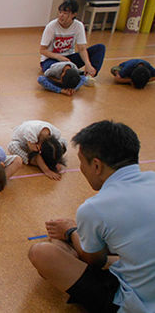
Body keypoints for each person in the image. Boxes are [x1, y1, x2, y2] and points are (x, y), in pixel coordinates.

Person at [28, 120, 155, 313]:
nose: (80, 169)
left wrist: (71, 231)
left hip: (136, 304)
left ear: (96, 165)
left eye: (81, 162)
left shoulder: (95, 208)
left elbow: (95, 261)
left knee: (41, 253)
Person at [40, 0, 105, 82]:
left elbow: (82, 49)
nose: (61, 16)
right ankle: (70, 74)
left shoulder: (78, 25)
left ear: (74, 14)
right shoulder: (51, 26)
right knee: (52, 69)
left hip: (69, 58)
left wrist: (88, 64)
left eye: (65, 13)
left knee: (100, 48)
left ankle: (89, 75)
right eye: (60, 12)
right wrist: (59, 57)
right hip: (52, 59)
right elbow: (42, 50)